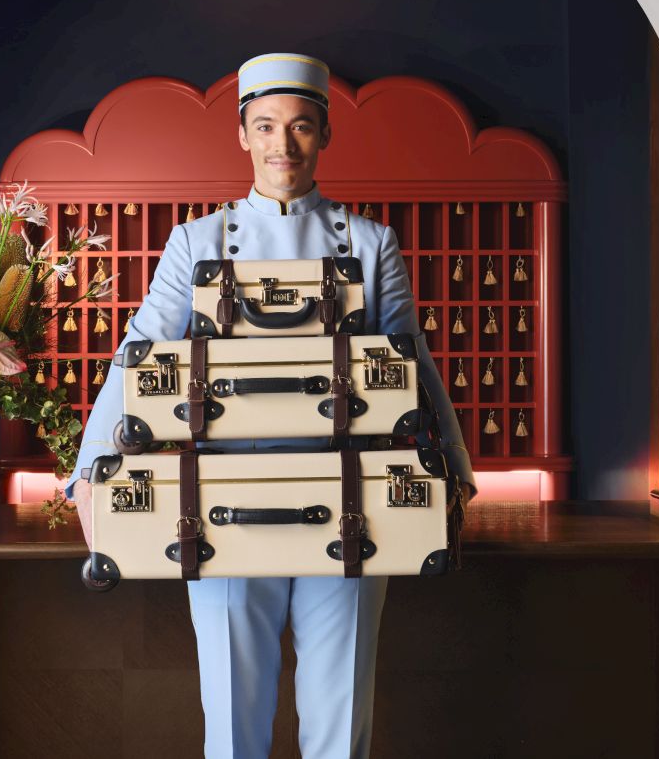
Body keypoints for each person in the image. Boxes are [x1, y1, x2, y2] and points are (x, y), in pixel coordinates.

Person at [68, 53, 475, 758]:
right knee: (231, 721)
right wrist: (91, 471)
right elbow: (139, 352)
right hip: (222, 494)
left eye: (300, 127)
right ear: (242, 135)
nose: (282, 145)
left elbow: (411, 361)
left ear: (324, 135)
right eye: (265, 127)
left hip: (353, 495)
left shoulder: (371, 242)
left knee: (340, 723)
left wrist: (456, 471)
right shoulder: (195, 241)